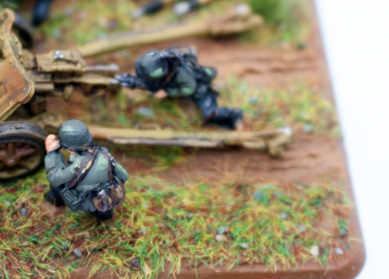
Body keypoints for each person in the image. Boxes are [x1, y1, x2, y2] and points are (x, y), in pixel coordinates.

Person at [116, 47, 244, 130]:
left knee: (210, 113)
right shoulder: (160, 60)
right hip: (173, 84)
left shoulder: (182, 73)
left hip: (198, 90)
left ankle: (234, 114)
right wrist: (134, 81)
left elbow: (190, 89)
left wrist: (167, 92)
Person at [44, 120, 128, 221]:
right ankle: (104, 213)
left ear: (69, 148)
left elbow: (54, 178)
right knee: (105, 197)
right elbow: (124, 175)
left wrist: (53, 153)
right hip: (106, 197)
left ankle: (56, 201)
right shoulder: (105, 155)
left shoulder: (74, 167)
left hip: (84, 202)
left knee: (58, 185)